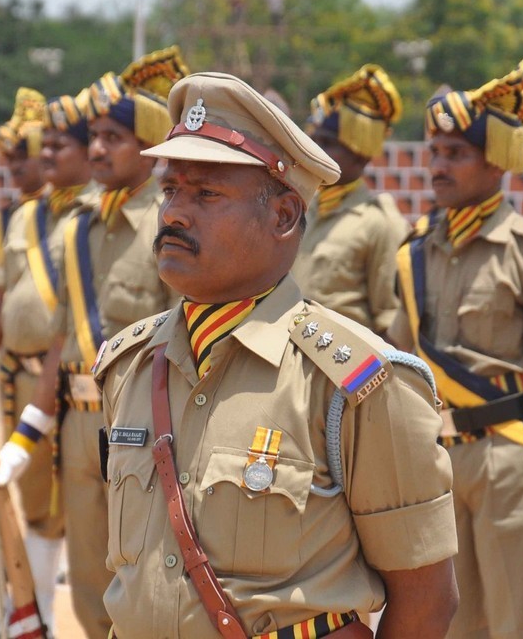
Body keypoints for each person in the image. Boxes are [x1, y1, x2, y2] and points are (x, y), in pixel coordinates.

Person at [90, 70, 458, 638]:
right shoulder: (129, 367)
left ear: (283, 215)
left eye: (206, 194)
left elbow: (426, 600)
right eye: (170, 190)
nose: (173, 214)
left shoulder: (355, 383)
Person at [0, 46, 189, 639]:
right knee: (92, 582)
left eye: (113, 137)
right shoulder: (77, 225)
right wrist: (29, 430)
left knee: (149, 576)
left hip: (147, 425)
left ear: (148, 141)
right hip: (78, 423)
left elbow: (184, 343)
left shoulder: (168, 222)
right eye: (93, 136)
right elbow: (61, 340)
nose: (97, 149)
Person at [389, 59, 523, 638]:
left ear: (496, 158)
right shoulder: (415, 251)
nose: (439, 166)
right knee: (454, 623)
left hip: (511, 457)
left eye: (456, 153)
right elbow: (402, 370)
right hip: (438, 459)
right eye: (435, 152)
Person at [0, 86, 93, 631]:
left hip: (87, 385)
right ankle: (33, 617)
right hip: (25, 379)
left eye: (52, 147)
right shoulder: (19, 222)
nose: (39, 160)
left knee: (93, 511)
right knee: (32, 504)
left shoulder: (98, 214)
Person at [292, 64, 410, 337]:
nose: (315, 150)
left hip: (347, 370)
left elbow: (391, 321)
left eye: (327, 143)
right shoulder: (300, 210)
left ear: (360, 154)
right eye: (313, 140)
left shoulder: (380, 223)